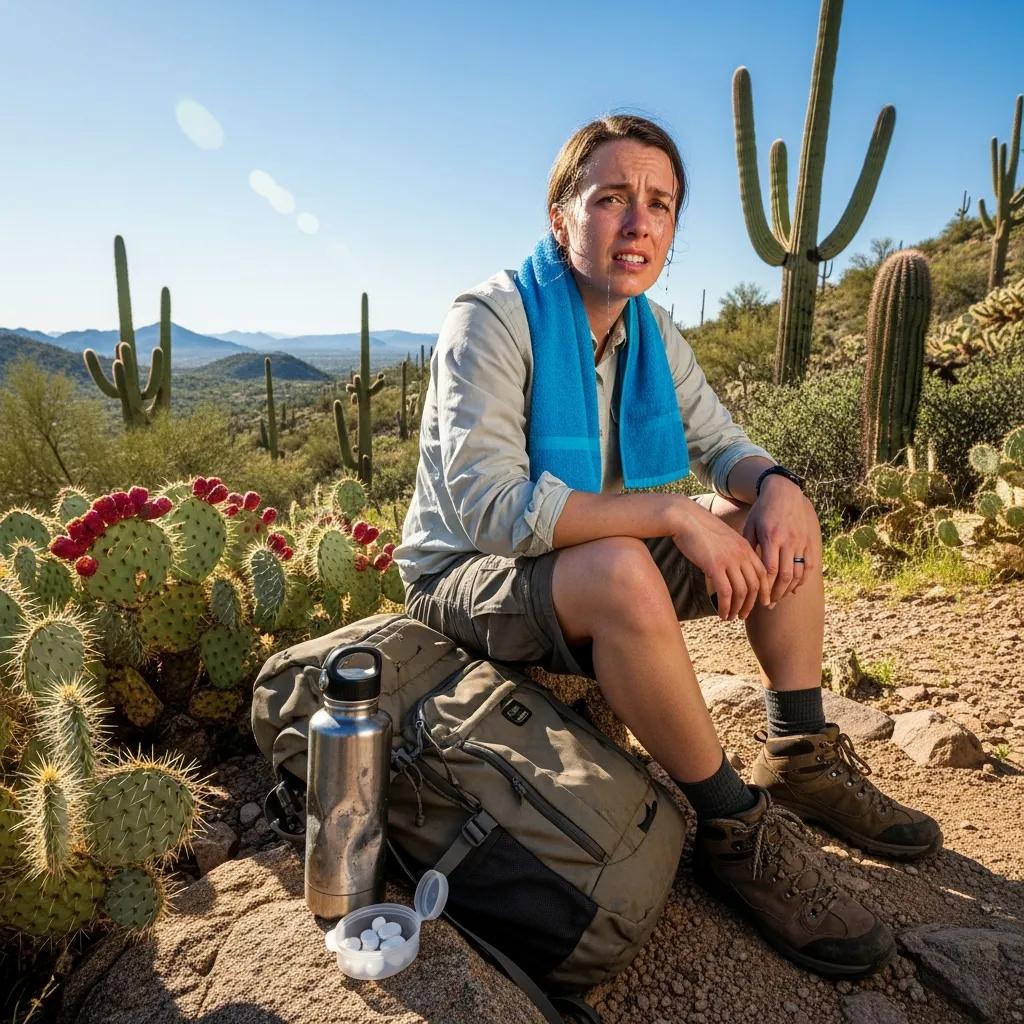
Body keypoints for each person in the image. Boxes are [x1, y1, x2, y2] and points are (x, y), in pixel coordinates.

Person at [394, 114, 941, 978]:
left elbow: (724, 441)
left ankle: (799, 751)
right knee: (624, 566)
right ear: (561, 216)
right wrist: (674, 514)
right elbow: (493, 509)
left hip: (583, 554)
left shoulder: (649, 334)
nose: (638, 221)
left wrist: (776, 485)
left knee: (776, 517)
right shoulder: (493, 319)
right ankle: (733, 825)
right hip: (466, 573)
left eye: (659, 203)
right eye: (610, 197)